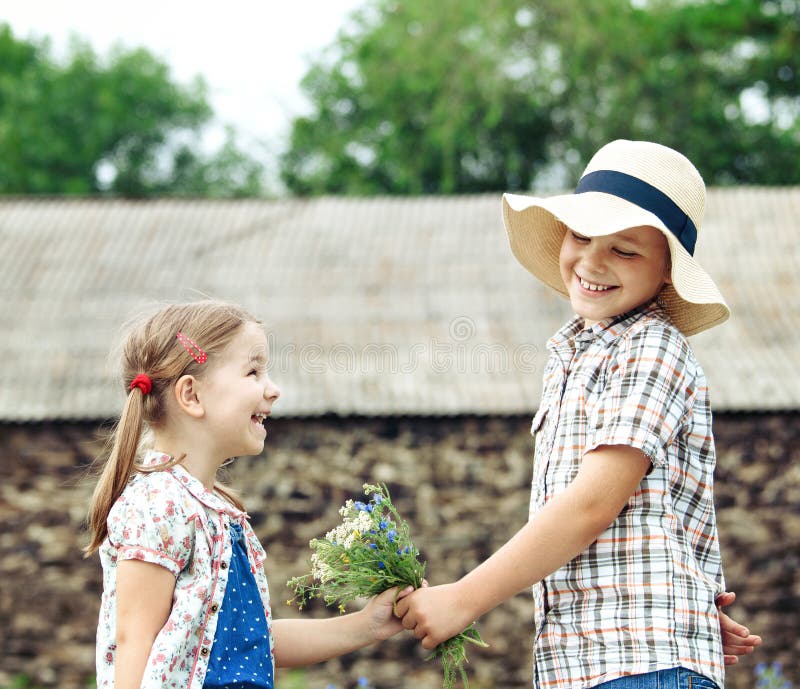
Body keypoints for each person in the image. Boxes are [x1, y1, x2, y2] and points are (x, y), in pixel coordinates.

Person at [396, 140, 761, 688]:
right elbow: (650, 519)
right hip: (594, 659)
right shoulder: (573, 354)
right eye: (582, 236)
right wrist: (686, 597)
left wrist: (462, 599)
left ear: (668, 271)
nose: (592, 262)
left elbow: (592, 503)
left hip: (636, 662)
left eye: (626, 250)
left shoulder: (649, 348)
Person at [85, 300, 412, 689]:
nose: (273, 389)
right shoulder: (159, 504)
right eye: (253, 371)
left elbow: (254, 642)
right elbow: (134, 640)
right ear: (191, 395)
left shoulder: (218, 514)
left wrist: (366, 625)